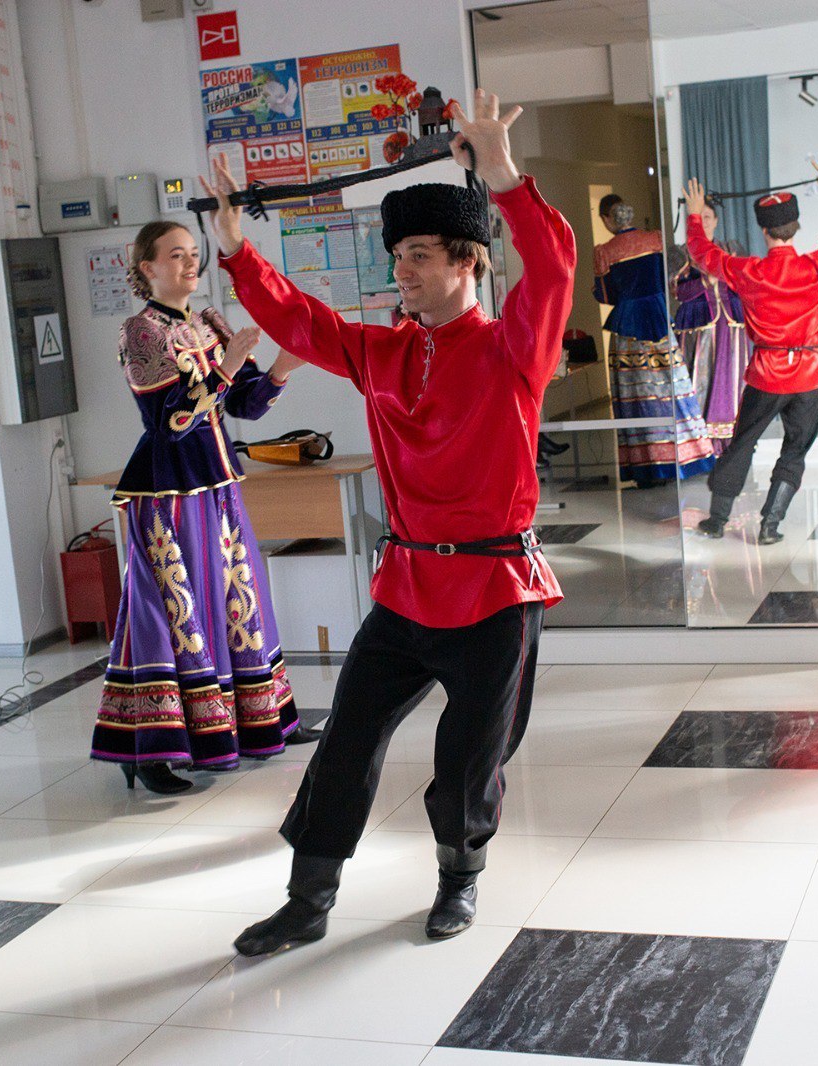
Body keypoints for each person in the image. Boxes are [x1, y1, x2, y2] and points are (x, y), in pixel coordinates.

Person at [203, 89, 574, 956]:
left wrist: (507, 175)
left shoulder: (514, 346)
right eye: (396, 256)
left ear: (467, 262)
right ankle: (309, 898)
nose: (400, 271)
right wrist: (236, 251)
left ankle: (458, 880)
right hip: (407, 588)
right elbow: (297, 319)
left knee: (468, 762)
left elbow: (554, 270)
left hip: (494, 588)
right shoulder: (382, 351)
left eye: (416, 256)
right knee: (347, 742)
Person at [89, 219, 317, 796]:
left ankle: (259, 723)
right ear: (147, 268)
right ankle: (151, 747)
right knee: (176, 612)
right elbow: (170, 421)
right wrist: (226, 365)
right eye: (176, 256)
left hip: (217, 486)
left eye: (194, 255)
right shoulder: (140, 333)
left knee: (237, 600)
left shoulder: (208, 322)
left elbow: (241, 405)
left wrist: (280, 369)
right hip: (167, 492)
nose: (190, 265)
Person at [684, 157, 818, 544]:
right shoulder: (817, 265)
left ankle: (717, 520)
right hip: (810, 376)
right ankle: (770, 526)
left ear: (764, 231)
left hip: (766, 374)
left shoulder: (748, 271)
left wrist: (695, 216)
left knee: (743, 443)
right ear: (794, 228)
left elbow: (701, 252)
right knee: (795, 451)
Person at [590, 194, 712, 485]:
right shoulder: (656, 238)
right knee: (674, 390)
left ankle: (648, 468)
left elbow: (605, 295)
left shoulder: (604, 251)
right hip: (659, 321)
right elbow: (671, 281)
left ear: (608, 219)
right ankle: (689, 457)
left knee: (635, 397)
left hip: (627, 328)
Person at [672, 200, 753, 459]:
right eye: (700, 216)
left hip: (731, 325)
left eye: (709, 216)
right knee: (700, 381)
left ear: (716, 220)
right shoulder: (681, 253)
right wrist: (707, 280)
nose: (704, 221)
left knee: (733, 381)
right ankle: (700, 444)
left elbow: (746, 282)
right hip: (698, 327)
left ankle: (732, 441)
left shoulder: (731, 248)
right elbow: (678, 291)